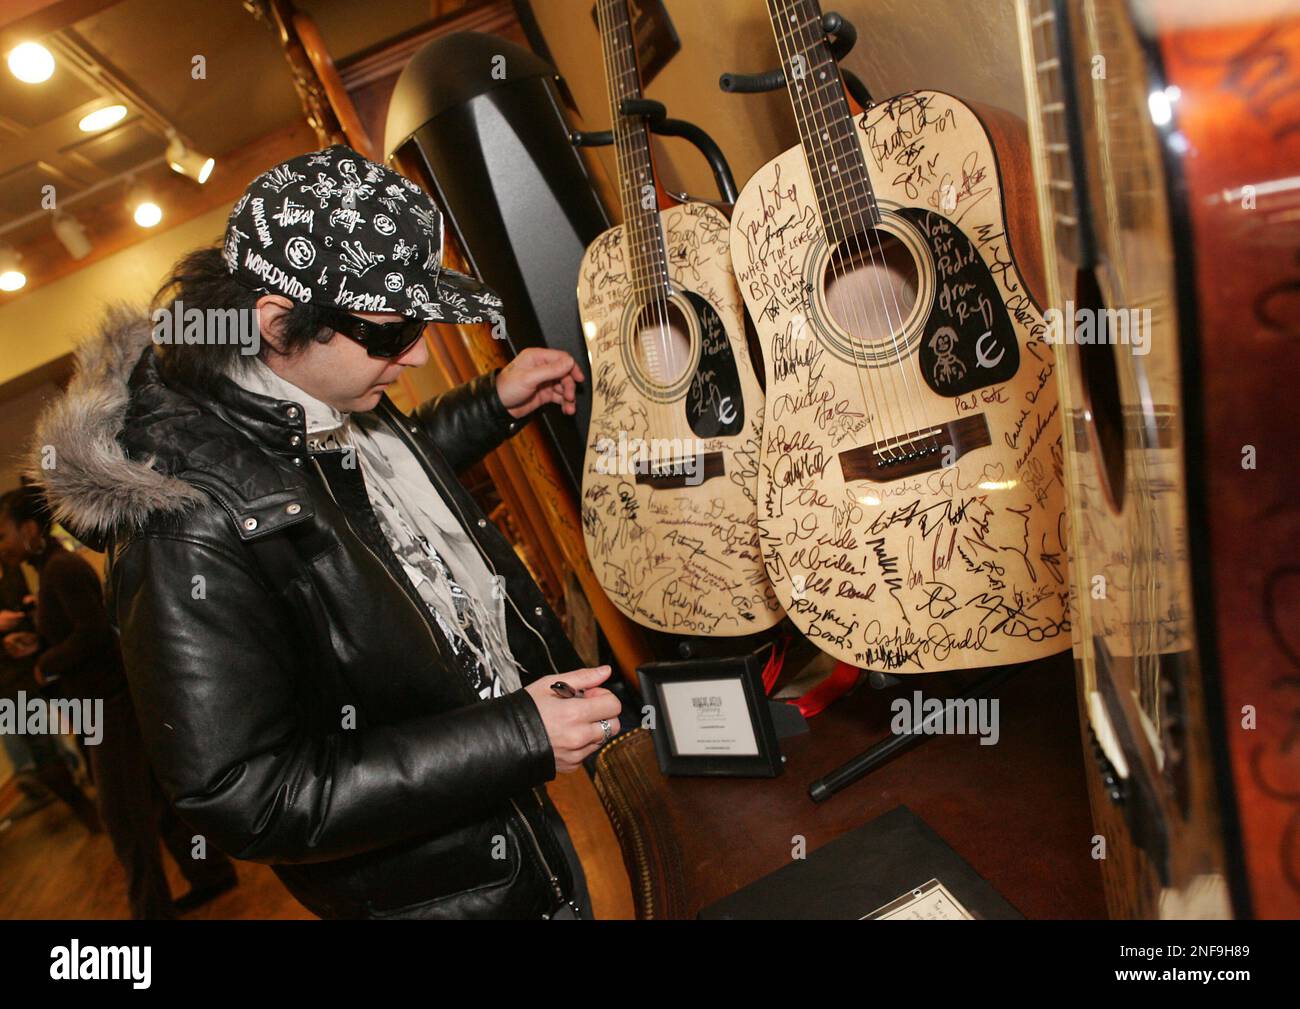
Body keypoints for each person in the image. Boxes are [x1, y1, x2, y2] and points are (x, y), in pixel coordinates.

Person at [32, 144, 621, 920]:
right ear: (278, 324)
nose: (413, 354)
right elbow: (245, 792)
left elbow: (352, 507)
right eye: (390, 334)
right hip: (443, 894)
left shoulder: (300, 400)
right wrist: (513, 735)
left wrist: (491, 402)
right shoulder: (186, 524)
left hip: (505, 832)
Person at [0, 485, 240, 918]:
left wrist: (45, 663)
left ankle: (150, 911)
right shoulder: (51, 570)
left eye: (5, 534)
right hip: (104, 707)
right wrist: (37, 643)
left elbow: (93, 637)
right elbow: (75, 631)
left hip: (108, 709)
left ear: (30, 529)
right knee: (156, 804)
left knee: (124, 821)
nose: (3, 545)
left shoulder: (60, 569)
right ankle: (212, 874)